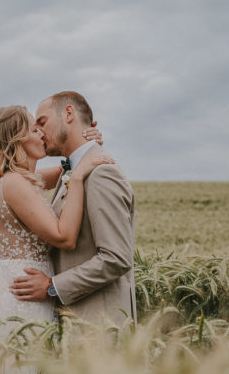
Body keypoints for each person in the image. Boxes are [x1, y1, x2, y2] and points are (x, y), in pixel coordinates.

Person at [0, 104, 113, 374]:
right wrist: (78, 176)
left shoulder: (19, 180)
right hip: (25, 301)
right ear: (17, 141)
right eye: (35, 129)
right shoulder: (13, 184)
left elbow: (66, 166)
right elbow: (64, 237)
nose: (42, 133)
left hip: (25, 290)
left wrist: (87, 149)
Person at [10, 91, 136, 327]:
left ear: (69, 114)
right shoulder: (72, 171)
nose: (38, 132)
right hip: (74, 325)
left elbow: (117, 257)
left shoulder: (102, 172)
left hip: (100, 327)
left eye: (42, 122)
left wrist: (52, 287)